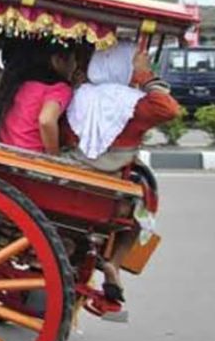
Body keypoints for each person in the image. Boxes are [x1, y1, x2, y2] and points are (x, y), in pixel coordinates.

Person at [63, 42, 181, 302]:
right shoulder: (133, 104)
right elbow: (170, 109)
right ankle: (114, 263)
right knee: (143, 207)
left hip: (69, 177)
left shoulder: (79, 94)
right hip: (110, 192)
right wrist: (145, 76)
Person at [0, 40, 76, 154]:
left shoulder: (20, 82)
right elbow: (46, 120)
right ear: (57, 60)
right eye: (73, 61)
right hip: (31, 157)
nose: (74, 67)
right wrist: (54, 156)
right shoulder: (60, 88)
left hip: (3, 151)